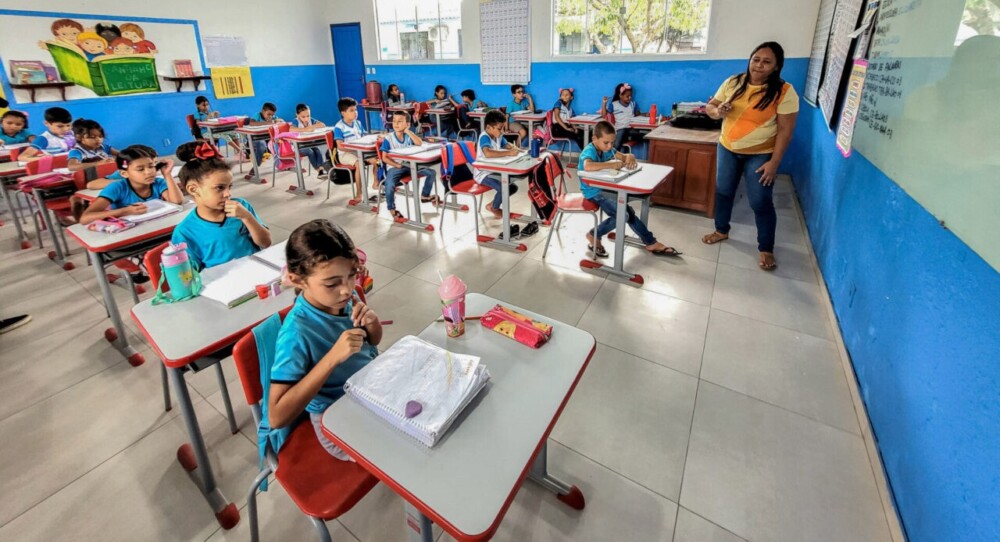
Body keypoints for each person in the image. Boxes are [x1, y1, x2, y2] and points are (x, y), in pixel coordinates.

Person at [268, 219, 383, 460]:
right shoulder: (297, 332)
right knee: (410, 449)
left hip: (370, 390)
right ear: (299, 280)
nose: (346, 289)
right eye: (332, 283)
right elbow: (276, 416)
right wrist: (331, 358)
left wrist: (372, 323)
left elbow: (372, 342)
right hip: (336, 418)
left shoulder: (344, 298)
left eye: (352, 275)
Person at [702, 41, 799, 271]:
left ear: (776, 67)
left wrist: (774, 163)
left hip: (760, 154)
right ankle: (721, 230)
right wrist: (718, 111)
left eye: (767, 62)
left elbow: (785, 132)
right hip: (727, 148)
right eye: (756, 59)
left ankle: (765, 247)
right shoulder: (733, 82)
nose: (759, 65)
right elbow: (711, 107)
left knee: (760, 200)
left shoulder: (785, 92)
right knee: (723, 191)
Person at [581, 120, 679, 258]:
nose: (610, 146)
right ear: (594, 139)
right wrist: (610, 165)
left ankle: (650, 242)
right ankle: (593, 234)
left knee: (627, 212)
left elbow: (623, 156)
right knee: (624, 214)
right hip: (594, 191)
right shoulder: (590, 150)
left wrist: (630, 156)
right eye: (606, 143)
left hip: (607, 188)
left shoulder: (608, 150)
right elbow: (587, 166)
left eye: (612, 142)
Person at [171, 141, 271, 270]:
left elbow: (266, 243)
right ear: (193, 189)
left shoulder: (241, 206)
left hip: (256, 271)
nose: (228, 194)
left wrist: (247, 217)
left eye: (229, 187)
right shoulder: (185, 231)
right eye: (220, 188)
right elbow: (189, 275)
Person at [79, 144, 183, 225]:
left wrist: (167, 175)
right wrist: (125, 211)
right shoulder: (117, 187)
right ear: (124, 173)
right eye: (140, 169)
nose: (149, 172)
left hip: (155, 225)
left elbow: (177, 201)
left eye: (151, 166)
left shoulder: (158, 182)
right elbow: (85, 218)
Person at [378, 111, 440, 221]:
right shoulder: (388, 139)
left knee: (431, 173)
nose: (396, 124)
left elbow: (419, 143)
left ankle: (425, 195)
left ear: (407, 124)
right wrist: (396, 165)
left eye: (400, 121)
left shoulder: (408, 136)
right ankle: (392, 209)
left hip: (409, 165)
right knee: (390, 185)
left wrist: (408, 131)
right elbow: (384, 158)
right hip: (395, 167)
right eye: (394, 121)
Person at [473, 110, 521, 219]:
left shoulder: (497, 135)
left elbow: (507, 145)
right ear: (489, 127)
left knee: (512, 187)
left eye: (503, 128)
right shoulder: (484, 137)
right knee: (504, 188)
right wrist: (509, 153)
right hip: (483, 173)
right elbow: (488, 153)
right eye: (500, 129)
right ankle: (494, 208)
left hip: (495, 170)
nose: (502, 131)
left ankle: (492, 204)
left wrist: (518, 150)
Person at [333, 97, 378, 201]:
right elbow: (340, 146)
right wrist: (355, 150)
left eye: (356, 109)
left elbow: (364, 137)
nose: (355, 112)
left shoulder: (357, 123)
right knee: (359, 164)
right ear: (343, 113)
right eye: (351, 110)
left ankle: (375, 183)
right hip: (345, 154)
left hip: (359, 151)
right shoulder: (339, 127)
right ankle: (359, 193)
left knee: (376, 160)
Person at [289, 103, 329, 179]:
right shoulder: (296, 121)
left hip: (309, 143)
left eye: (308, 116)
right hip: (298, 145)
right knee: (310, 152)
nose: (306, 118)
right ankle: (319, 170)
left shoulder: (311, 120)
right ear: (297, 115)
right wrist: (305, 129)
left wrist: (312, 126)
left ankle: (321, 170)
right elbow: (291, 129)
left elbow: (323, 125)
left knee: (317, 150)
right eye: (303, 117)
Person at [600, 82, 643, 151]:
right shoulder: (614, 104)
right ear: (620, 95)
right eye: (627, 96)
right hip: (619, 130)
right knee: (619, 139)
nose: (629, 98)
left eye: (631, 96)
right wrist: (604, 103)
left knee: (641, 135)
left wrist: (646, 114)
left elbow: (638, 114)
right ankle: (612, 158)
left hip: (630, 129)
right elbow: (604, 115)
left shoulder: (633, 104)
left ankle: (628, 138)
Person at [247, 102, 281, 166]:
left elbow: (279, 120)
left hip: (267, 138)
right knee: (262, 144)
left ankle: (282, 164)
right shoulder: (257, 115)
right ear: (263, 111)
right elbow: (251, 123)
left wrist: (280, 121)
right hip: (255, 139)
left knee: (280, 142)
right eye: (269, 114)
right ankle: (255, 167)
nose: (270, 116)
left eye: (272, 115)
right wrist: (267, 123)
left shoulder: (273, 117)